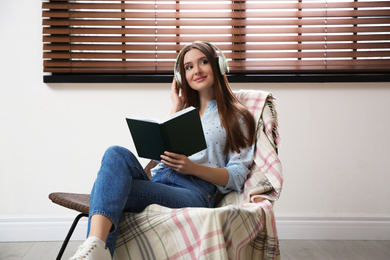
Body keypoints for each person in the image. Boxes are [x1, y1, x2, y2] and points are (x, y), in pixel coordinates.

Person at [69, 41, 256, 260]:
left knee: (108, 190)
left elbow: (237, 175)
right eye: (188, 67)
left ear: (219, 65)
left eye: (203, 62)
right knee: (115, 153)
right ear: (180, 76)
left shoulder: (237, 116)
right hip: (159, 182)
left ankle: (96, 249)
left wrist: (192, 167)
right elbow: (162, 155)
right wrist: (175, 107)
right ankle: (96, 247)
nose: (196, 70)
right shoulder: (185, 112)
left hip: (196, 191)